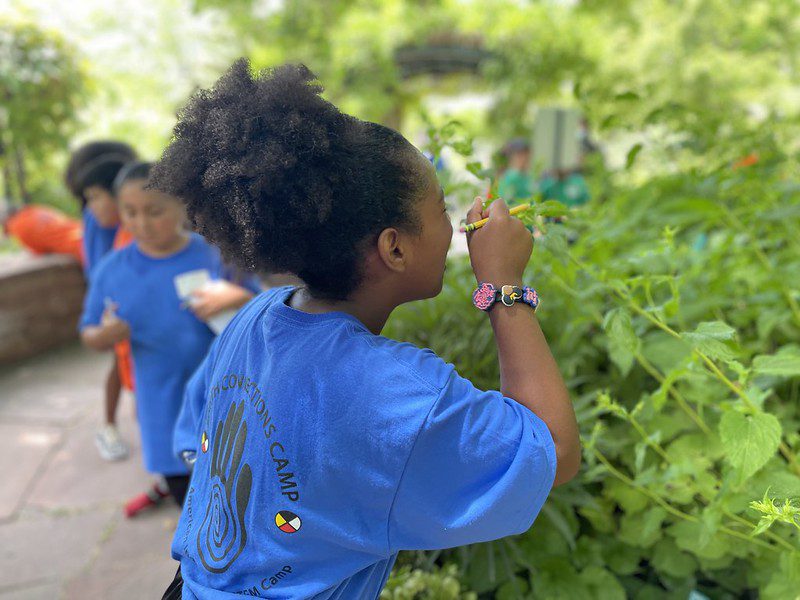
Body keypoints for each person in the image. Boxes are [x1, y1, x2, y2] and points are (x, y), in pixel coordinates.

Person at [152, 60, 580, 599]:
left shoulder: (254, 318)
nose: (454, 226)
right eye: (440, 209)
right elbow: (554, 453)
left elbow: (200, 434)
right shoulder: (390, 393)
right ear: (394, 247)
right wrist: (504, 287)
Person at [79, 161, 262, 515]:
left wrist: (237, 296)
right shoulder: (112, 271)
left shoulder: (215, 253)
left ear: (182, 205)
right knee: (192, 507)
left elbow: (262, 308)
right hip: (163, 412)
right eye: (129, 213)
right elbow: (88, 332)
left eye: (154, 211)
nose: (141, 224)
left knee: (239, 497)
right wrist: (105, 335)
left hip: (225, 405)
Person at [65, 141, 138, 461]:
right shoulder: (98, 219)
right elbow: (98, 269)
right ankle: (109, 426)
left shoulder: (132, 220)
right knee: (122, 364)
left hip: (130, 307)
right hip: (116, 305)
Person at [1, 202, 84, 263]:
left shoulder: (17, 227)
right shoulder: (35, 210)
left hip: (79, 248)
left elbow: (39, 251)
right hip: (83, 232)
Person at [497, 138, 535, 205]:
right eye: (520, 155)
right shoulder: (508, 177)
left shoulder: (527, 176)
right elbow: (503, 202)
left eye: (527, 155)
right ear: (511, 157)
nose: (524, 159)